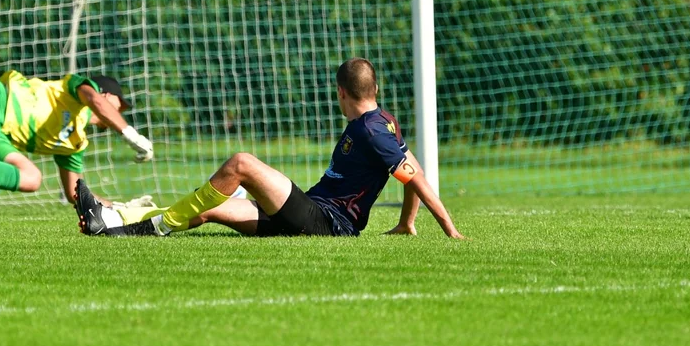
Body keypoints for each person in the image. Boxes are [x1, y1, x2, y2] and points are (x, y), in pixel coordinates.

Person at [75, 58, 464, 239]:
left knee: (242, 163)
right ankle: (113, 220)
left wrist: (450, 231)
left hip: (327, 225)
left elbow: (414, 177)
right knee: (208, 207)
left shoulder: (372, 132)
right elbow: (414, 170)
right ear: (374, 90)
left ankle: (144, 231)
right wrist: (407, 222)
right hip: (309, 214)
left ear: (341, 92)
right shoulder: (382, 121)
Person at [0, 69, 156, 209]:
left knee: (32, 179)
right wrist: (130, 134)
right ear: (106, 95)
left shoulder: (76, 144)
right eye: (120, 104)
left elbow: (75, 195)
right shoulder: (77, 90)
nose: (121, 111)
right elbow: (95, 100)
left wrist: (116, 207)